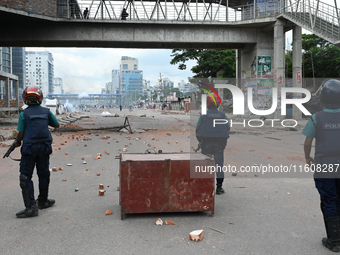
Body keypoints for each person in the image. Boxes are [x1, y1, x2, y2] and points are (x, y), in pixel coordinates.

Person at [302, 79, 340, 252]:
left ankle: (334, 240)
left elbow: (307, 142)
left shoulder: (317, 118)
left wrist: (307, 157)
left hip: (325, 166)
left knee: (329, 199)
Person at [13, 86, 59, 218]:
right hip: (44, 148)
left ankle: (31, 208)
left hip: (29, 148)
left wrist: (17, 142)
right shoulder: (46, 112)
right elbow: (56, 125)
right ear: (40, 98)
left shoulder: (24, 114)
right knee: (43, 175)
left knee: (25, 177)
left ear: (25, 99)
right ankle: (43, 201)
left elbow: (20, 133)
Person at [196, 93, 230, 195]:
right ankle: (219, 188)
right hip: (219, 144)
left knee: (206, 165)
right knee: (219, 165)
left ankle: (206, 187)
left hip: (206, 143)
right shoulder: (223, 115)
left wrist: (200, 141)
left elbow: (197, 129)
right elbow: (228, 128)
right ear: (218, 104)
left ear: (207, 104)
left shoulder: (203, 115)